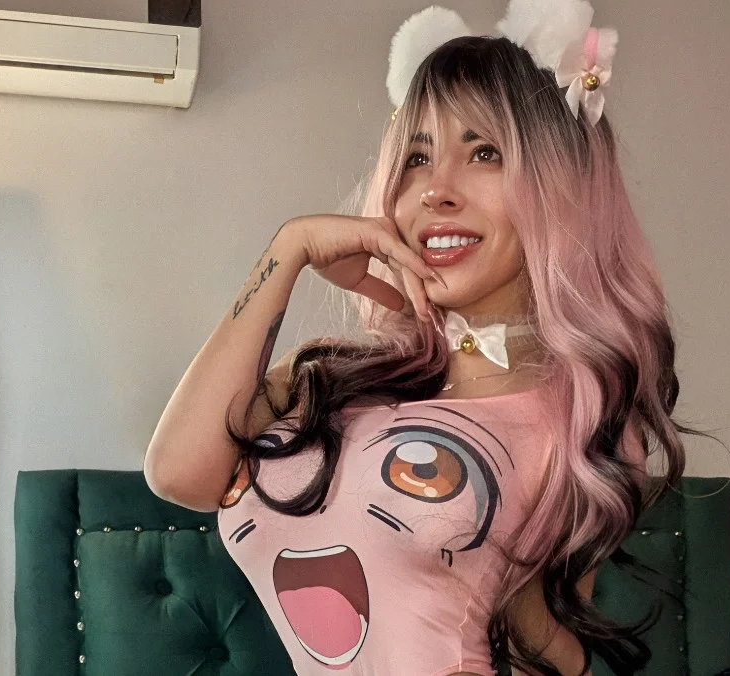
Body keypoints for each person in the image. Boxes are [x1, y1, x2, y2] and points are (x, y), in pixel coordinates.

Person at [145, 1, 696, 674]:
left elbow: (549, 653)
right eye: (416, 156)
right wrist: (287, 251)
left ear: (561, 187)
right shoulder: (322, 378)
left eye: (484, 152)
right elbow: (180, 474)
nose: (436, 190)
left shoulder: (577, 418)